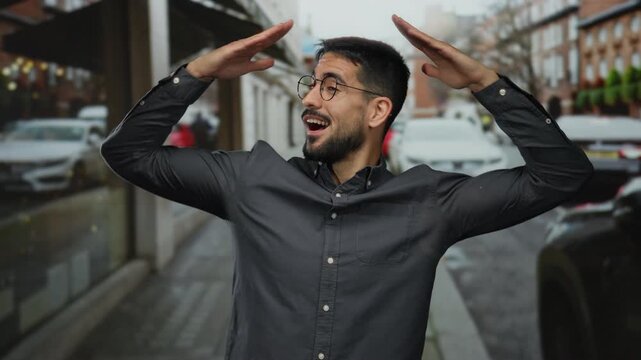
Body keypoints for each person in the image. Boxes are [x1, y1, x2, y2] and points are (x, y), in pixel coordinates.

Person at [100, 16, 593, 360]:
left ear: (378, 111)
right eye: (311, 84)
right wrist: (198, 73)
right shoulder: (251, 181)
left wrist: (489, 84)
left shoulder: (430, 205)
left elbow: (561, 174)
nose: (310, 99)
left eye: (330, 86)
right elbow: (128, 154)